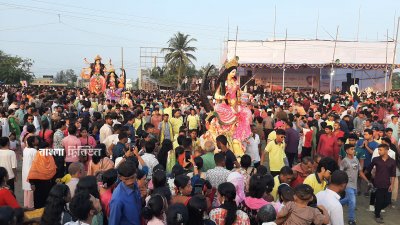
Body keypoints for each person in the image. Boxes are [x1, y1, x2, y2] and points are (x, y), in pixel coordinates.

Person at [339, 144, 370, 225]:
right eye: (352, 149)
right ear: (347, 151)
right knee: (352, 201)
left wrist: (367, 181)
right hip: (347, 185)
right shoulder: (344, 161)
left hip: (354, 185)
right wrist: (342, 185)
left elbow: (360, 172)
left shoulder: (356, 160)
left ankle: (335, 203)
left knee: (348, 200)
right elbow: (340, 173)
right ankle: (351, 219)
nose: (354, 150)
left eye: (354, 149)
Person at [366, 144, 396, 224]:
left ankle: (377, 210)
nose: (379, 151)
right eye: (378, 150)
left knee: (387, 201)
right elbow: (369, 168)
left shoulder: (392, 161)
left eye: (380, 150)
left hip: (387, 183)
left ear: (386, 150)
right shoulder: (376, 159)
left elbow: (393, 174)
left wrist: (392, 185)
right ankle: (377, 216)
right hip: (377, 183)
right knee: (379, 199)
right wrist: (367, 177)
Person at [109, 161, 142, 225]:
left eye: (132, 177)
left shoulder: (135, 185)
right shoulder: (117, 200)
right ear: (120, 177)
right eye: (126, 179)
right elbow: (113, 222)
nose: (130, 182)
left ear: (136, 173)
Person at [28, 142, 57, 209]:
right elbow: (33, 172)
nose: (47, 149)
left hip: (49, 184)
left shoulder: (50, 157)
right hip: (38, 185)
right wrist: (32, 183)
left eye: (48, 147)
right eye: (45, 148)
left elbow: (54, 169)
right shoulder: (37, 158)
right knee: (39, 202)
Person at [22, 136, 39, 208]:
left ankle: (26, 206)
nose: (37, 140)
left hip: (25, 172)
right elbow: (37, 162)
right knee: (31, 190)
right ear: (32, 142)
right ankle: (30, 207)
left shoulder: (25, 149)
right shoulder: (34, 151)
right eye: (36, 140)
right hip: (31, 172)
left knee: (26, 190)